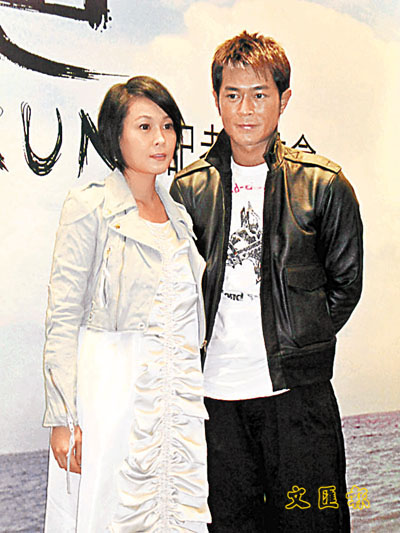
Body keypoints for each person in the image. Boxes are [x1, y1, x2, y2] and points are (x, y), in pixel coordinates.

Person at [170, 31, 363, 532]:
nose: (246, 109)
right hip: (214, 406)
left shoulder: (323, 184)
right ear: (216, 100)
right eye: (232, 95)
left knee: (312, 521)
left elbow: (345, 284)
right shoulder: (187, 191)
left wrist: (299, 340)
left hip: (298, 401)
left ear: (284, 99)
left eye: (260, 94)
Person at [43, 76, 211, 532]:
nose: (161, 139)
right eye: (144, 126)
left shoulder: (180, 216)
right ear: (115, 135)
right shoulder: (90, 205)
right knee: (113, 513)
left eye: (168, 126)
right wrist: (63, 418)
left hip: (174, 392)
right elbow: (63, 317)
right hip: (111, 391)